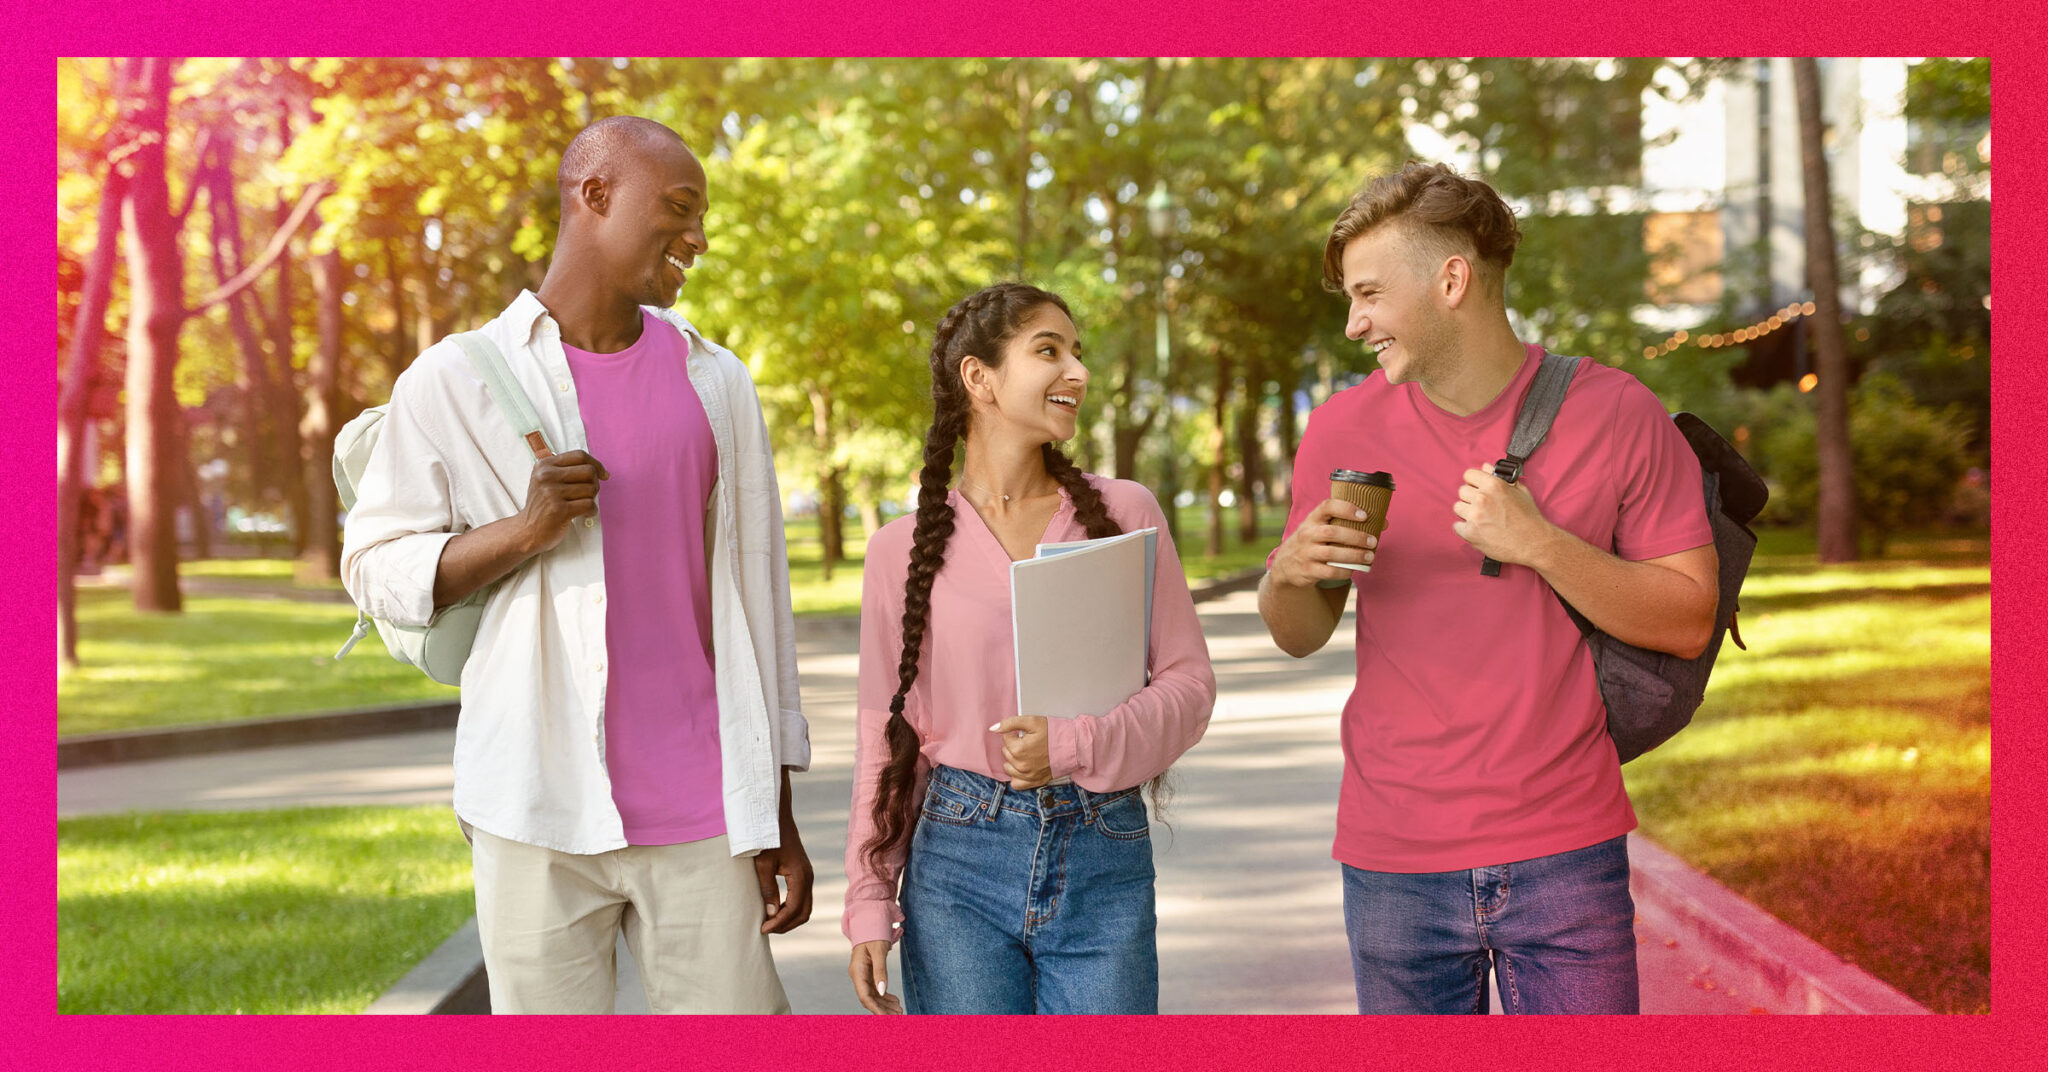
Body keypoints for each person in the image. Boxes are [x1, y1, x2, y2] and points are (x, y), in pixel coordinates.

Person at [341, 116, 812, 1014]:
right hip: (533, 799)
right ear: (594, 196)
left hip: (705, 809)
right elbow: (371, 565)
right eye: (678, 209)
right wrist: (523, 531)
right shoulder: (452, 379)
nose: (698, 239)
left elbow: (761, 600)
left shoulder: (718, 383)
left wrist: (776, 814)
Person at [1261, 162, 1718, 1014]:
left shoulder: (1616, 412)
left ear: (1451, 280)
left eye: (1369, 295)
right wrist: (1287, 575)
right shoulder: (1342, 428)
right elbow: (1299, 630)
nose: (1355, 323)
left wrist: (1542, 544)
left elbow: (1690, 618)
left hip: (1565, 851)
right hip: (1393, 857)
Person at [842, 282, 1216, 1015]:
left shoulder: (1124, 514)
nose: (1076, 371)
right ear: (978, 378)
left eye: (1078, 353)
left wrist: (1078, 743)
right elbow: (884, 737)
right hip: (956, 863)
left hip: (1101, 847)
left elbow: (1189, 684)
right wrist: (869, 900)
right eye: (1049, 351)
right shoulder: (900, 550)